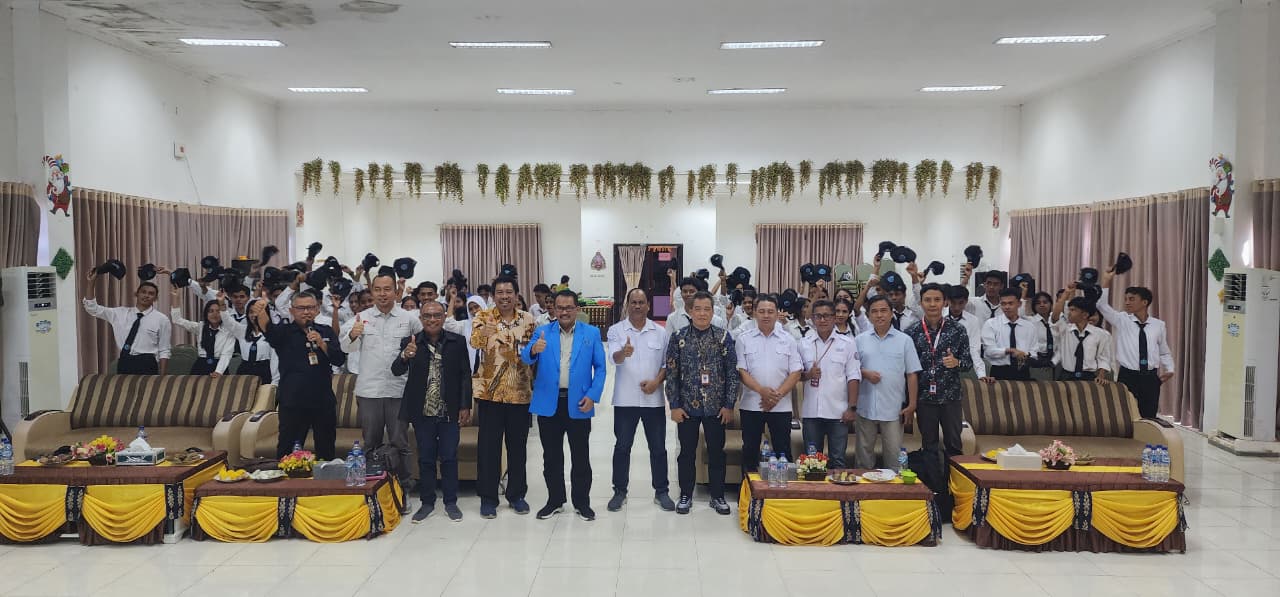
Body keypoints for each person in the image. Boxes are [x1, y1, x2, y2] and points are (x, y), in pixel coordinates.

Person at [521, 290, 607, 521]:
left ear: (577, 309)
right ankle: (555, 500)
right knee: (551, 457)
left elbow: (600, 368)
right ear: (554, 309)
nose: (564, 312)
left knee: (581, 457)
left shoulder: (591, 333)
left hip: (579, 403)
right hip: (549, 403)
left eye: (569, 307)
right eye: (560, 307)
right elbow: (525, 357)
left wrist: (593, 395)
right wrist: (533, 350)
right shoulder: (542, 331)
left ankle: (582, 503)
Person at [340, 273, 424, 487]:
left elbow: (421, 347)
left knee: (400, 442)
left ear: (396, 291)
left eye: (387, 289)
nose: (382, 294)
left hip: (399, 390)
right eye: (377, 289)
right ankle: (372, 488)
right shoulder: (361, 318)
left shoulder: (409, 319)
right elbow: (344, 347)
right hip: (369, 391)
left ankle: (404, 487)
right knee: (370, 443)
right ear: (372, 291)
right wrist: (353, 334)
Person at [393, 300, 473, 523]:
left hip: (449, 409)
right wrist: (405, 356)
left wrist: (465, 405)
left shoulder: (456, 341)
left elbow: (465, 375)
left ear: (444, 317)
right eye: (427, 316)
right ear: (420, 318)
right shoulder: (410, 342)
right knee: (426, 458)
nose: (432, 320)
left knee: (449, 457)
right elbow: (396, 370)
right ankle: (427, 503)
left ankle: (451, 502)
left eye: (437, 315)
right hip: (422, 411)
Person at [664, 291, 739, 515]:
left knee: (716, 451)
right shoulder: (679, 338)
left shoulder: (723, 337)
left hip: (717, 407)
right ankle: (685, 494)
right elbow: (671, 374)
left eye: (707, 309)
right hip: (687, 406)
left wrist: (729, 405)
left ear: (713, 311)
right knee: (687, 452)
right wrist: (674, 405)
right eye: (698, 309)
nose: (702, 314)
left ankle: (717, 496)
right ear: (690, 311)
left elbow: (732, 374)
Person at [470, 275, 537, 518]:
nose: (505, 296)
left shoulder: (528, 320)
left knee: (518, 447)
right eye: (500, 292)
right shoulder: (483, 317)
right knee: (489, 448)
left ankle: (516, 495)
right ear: (493, 295)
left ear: (517, 295)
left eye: (509, 292)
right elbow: (474, 343)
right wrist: (485, 333)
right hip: (490, 394)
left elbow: (534, 353)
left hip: (519, 392)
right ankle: (488, 498)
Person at [252, 292, 345, 459]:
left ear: (317, 309)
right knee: (288, 451)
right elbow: (267, 328)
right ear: (291, 311)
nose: (306, 312)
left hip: (322, 400)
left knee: (326, 450)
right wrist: (261, 310)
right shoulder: (284, 332)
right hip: (293, 400)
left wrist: (321, 343)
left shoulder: (325, 331)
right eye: (301, 308)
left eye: (310, 307)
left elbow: (339, 359)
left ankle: (324, 475)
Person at [606, 288, 675, 512]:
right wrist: (623, 353)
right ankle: (619, 491)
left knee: (658, 448)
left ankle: (661, 491)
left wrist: (656, 382)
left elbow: (667, 364)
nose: (637, 306)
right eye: (633, 302)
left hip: (653, 400)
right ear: (627, 305)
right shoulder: (616, 330)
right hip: (625, 400)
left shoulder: (660, 332)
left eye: (641, 302)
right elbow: (614, 358)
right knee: (622, 447)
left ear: (648, 306)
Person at [905, 285, 973, 465]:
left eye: (937, 300)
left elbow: (968, 363)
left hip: (950, 397)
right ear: (921, 303)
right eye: (927, 300)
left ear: (945, 303)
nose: (932, 304)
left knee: (954, 445)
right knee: (929, 446)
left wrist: (957, 362)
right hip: (924, 398)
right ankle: (932, 481)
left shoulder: (958, 330)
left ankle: (955, 482)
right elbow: (907, 369)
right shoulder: (911, 332)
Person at [736, 294, 804, 472]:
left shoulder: (788, 339)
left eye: (770, 311)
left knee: (783, 451)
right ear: (754, 313)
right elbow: (741, 371)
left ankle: (782, 489)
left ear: (777, 313)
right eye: (762, 311)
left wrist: (776, 396)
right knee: (750, 451)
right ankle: (749, 488)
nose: (766, 315)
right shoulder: (743, 339)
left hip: (781, 406)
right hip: (751, 405)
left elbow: (796, 372)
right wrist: (762, 391)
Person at [853, 296, 922, 470]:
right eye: (874, 311)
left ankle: (894, 487)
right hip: (865, 404)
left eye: (883, 310)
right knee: (863, 458)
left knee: (894, 457)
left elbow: (912, 374)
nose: (879, 315)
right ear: (868, 316)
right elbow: (851, 370)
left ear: (892, 313)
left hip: (893, 407)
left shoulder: (904, 340)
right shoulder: (859, 340)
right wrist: (865, 373)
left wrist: (912, 405)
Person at [1098, 269, 1175, 418]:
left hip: (1150, 377)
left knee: (1149, 416)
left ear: (1144, 302)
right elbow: (1102, 306)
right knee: (1125, 414)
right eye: (1126, 299)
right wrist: (1106, 280)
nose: (1127, 302)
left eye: (1132, 299)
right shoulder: (1122, 320)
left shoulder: (1158, 325)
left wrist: (1170, 369)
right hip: (1128, 376)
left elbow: (1163, 350)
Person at [798, 300, 860, 468]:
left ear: (834, 318)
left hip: (838, 413)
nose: (822, 320)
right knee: (812, 463)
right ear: (813, 318)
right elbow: (796, 376)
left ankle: (838, 486)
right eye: (818, 316)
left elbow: (853, 377)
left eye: (826, 316)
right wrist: (809, 374)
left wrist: (852, 408)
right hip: (812, 412)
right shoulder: (804, 343)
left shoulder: (847, 344)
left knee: (838, 460)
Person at [83, 271, 171, 375]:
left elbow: (164, 350)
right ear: (136, 294)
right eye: (143, 292)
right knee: (123, 386)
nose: (146, 295)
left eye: (151, 294)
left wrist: (162, 378)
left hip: (147, 363)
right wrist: (91, 283)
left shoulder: (162, 319)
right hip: (125, 361)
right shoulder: (119, 313)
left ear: (155, 298)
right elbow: (92, 308)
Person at [169, 290, 235, 377]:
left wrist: (218, 371)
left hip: (220, 366)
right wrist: (175, 299)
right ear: (206, 314)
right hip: (201, 365)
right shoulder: (201, 327)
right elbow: (177, 320)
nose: (214, 314)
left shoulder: (229, 331)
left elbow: (226, 354)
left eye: (218, 311)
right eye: (211, 311)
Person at [1052, 294, 1114, 382]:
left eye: (1073, 310)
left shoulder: (1101, 334)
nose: (1069, 313)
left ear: (1085, 315)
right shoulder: (1065, 330)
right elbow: (1055, 318)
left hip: (1088, 376)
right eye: (1069, 310)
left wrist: (1101, 376)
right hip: (1067, 376)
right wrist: (1066, 293)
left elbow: (1104, 358)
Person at [981, 289, 1039, 381]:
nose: (1007, 307)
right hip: (999, 371)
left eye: (1010, 303)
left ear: (1019, 304)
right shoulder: (991, 324)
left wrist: (1024, 356)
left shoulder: (1029, 327)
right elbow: (988, 351)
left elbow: (1034, 352)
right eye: (1003, 304)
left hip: (1023, 371)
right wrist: (1010, 351)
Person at [944, 285, 989, 382]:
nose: (957, 307)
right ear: (947, 300)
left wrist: (981, 374)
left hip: (962, 366)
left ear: (966, 301)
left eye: (961, 303)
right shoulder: (938, 316)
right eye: (953, 303)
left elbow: (974, 349)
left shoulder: (973, 321)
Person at [1022, 288, 1058, 380]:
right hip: (1038, 360)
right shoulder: (1030, 321)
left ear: (1051, 304)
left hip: (1056, 359)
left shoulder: (1056, 320)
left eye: (1045, 302)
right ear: (1034, 306)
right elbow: (1018, 314)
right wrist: (1023, 294)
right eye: (1038, 303)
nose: (1042, 305)